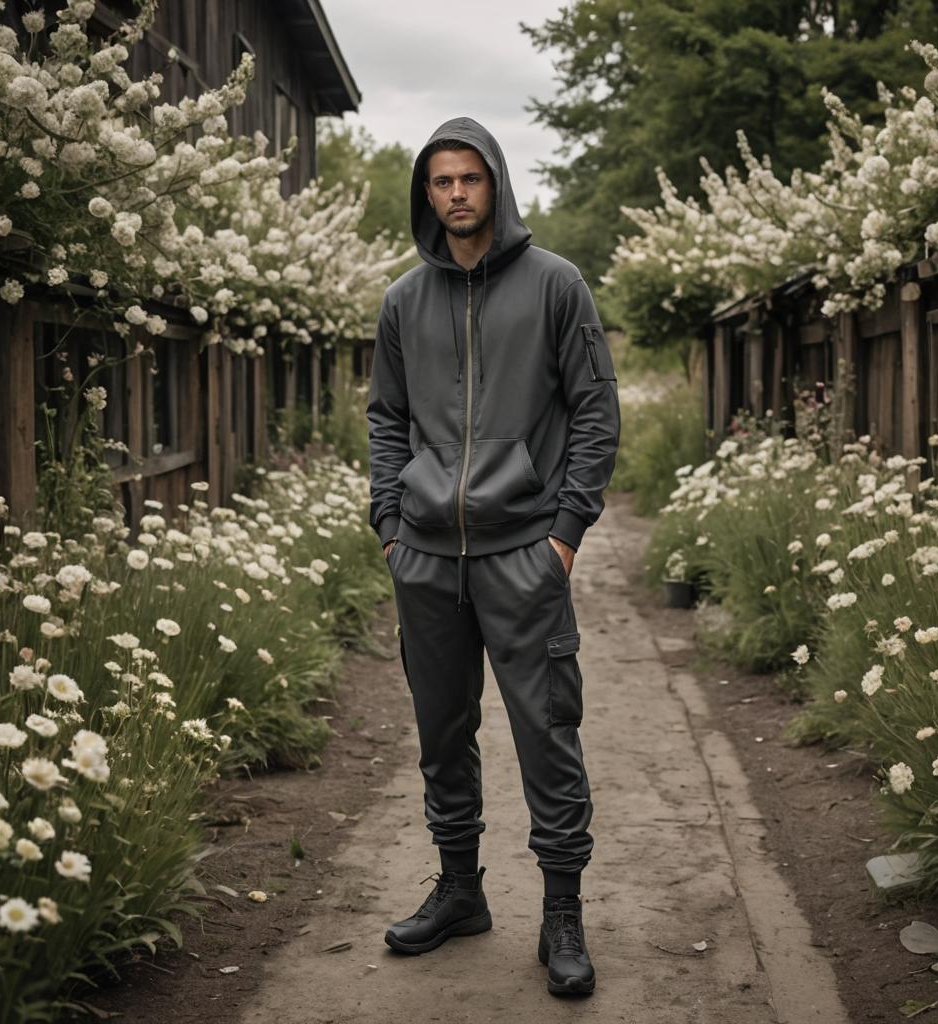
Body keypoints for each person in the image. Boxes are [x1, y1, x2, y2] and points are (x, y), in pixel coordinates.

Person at [366, 116, 620, 996]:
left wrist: (565, 536)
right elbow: (386, 419)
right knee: (442, 734)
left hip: (523, 553)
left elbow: (595, 413)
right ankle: (460, 889)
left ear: (496, 184)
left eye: (470, 178)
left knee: (547, 733)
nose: (457, 194)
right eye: (441, 181)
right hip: (427, 559)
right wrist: (390, 525)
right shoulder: (402, 301)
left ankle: (561, 914)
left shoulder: (556, 285)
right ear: (425, 194)